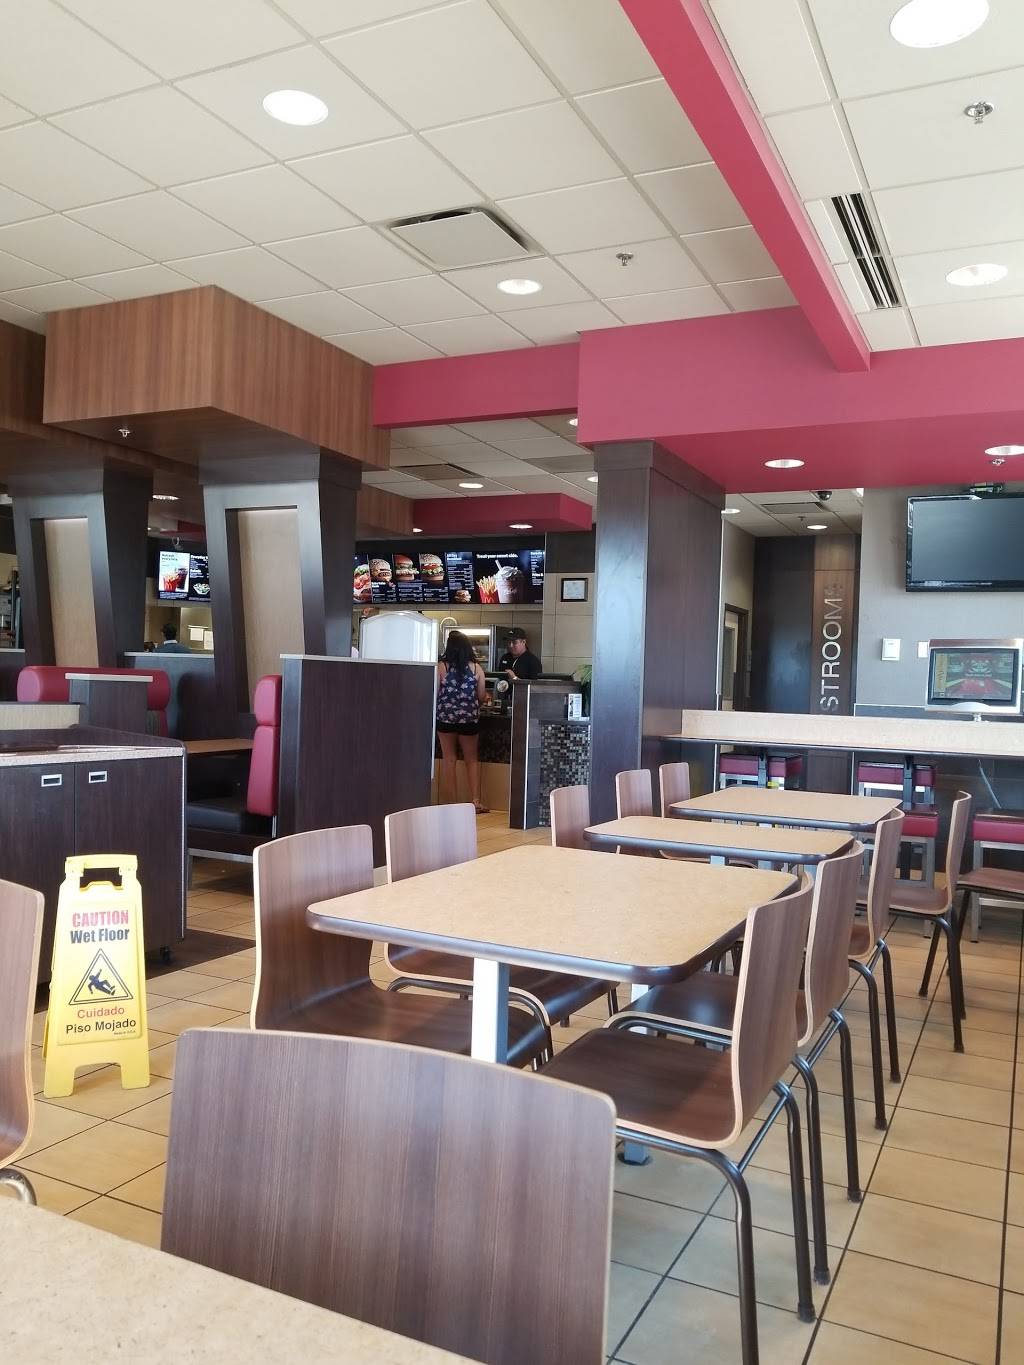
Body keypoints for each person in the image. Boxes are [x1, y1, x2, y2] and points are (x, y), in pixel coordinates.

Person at [436, 630, 489, 814]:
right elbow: (481, 696)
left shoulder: (441, 667)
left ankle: (451, 803)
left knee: (449, 759)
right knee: (471, 760)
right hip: (469, 719)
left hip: (446, 718)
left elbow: (435, 693)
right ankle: (475, 801)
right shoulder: (476, 668)